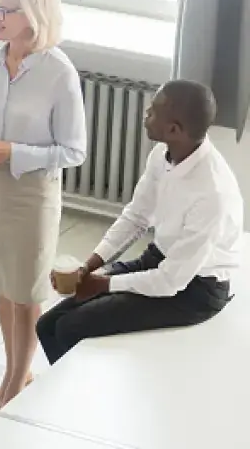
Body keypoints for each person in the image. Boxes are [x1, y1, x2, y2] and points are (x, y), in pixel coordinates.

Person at [36, 80, 242, 364]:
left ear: (174, 129)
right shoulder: (163, 153)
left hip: (197, 289)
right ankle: (66, 392)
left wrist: (103, 285)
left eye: (154, 110)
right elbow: (136, 217)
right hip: (161, 259)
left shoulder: (211, 192)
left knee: (72, 327)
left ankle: (83, 397)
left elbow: (171, 282)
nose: (146, 113)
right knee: (47, 326)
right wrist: (88, 267)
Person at [0, 0, 87, 410]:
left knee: (26, 289)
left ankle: (14, 383)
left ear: (32, 14)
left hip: (30, 199)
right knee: (1, 282)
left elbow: (73, 151)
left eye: (4, 10)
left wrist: (14, 152)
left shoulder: (59, 72)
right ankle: (16, 375)